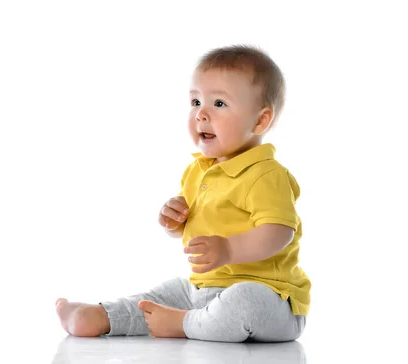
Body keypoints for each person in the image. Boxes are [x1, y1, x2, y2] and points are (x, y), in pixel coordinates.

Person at [55, 45, 311, 342]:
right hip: (203, 290)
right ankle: (103, 316)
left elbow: (279, 232)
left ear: (260, 121)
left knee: (244, 301)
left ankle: (184, 324)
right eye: (195, 101)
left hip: (271, 299)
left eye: (218, 103)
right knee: (163, 295)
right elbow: (194, 231)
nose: (201, 113)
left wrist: (229, 250)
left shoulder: (267, 174)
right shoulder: (198, 171)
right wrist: (175, 222)